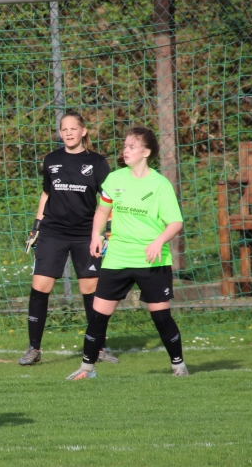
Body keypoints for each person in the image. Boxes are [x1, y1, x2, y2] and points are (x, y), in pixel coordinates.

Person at [67, 127, 187, 381]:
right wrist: (96, 235)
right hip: (118, 257)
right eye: (125, 146)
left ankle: (178, 365)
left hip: (152, 259)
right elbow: (102, 211)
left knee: (161, 317)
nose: (126, 150)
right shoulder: (115, 179)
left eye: (132, 146)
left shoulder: (160, 185)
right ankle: (87, 369)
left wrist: (158, 241)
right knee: (98, 315)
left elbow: (175, 223)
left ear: (146, 152)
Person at [21, 111, 117, 366]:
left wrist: (106, 231)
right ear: (60, 133)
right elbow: (46, 195)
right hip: (53, 231)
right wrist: (36, 227)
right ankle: (34, 348)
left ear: (83, 131)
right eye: (64, 129)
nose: (69, 133)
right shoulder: (51, 159)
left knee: (90, 289)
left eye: (73, 129)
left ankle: (98, 347)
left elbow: (108, 200)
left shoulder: (97, 162)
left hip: (86, 233)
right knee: (40, 286)